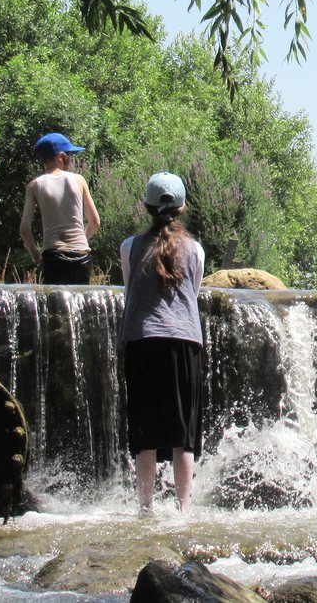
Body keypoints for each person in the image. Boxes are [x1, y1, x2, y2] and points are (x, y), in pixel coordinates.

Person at [117, 172, 206, 515]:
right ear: (182, 207)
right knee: (183, 433)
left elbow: (130, 291)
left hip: (142, 339)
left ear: (146, 207)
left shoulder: (130, 247)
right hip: (183, 342)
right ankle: (183, 511)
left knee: (145, 431)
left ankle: (146, 509)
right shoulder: (195, 250)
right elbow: (192, 294)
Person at [20, 132, 101, 284]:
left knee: (56, 305)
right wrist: (81, 240)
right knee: (80, 304)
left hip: (53, 256)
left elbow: (24, 229)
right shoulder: (78, 180)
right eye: (71, 155)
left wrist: (36, 255)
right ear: (61, 157)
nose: (72, 160)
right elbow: (95, 221)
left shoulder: (34, 186)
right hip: (80, 255)